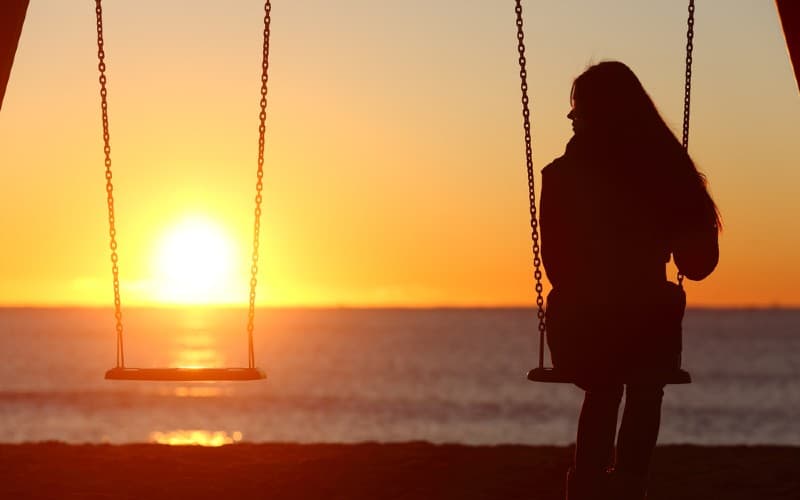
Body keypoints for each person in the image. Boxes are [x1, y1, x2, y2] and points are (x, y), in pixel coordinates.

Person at [539, 61, 720, 500]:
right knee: (644, 385)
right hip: (644, 324)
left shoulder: (561, 175)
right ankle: (629, 487)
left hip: (582, 324)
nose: (573, 121)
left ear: (593, 116)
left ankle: (586, 489)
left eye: (576, 112)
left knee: (604, 387)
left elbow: (556, 266)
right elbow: (698, 264)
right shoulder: (666, 171)